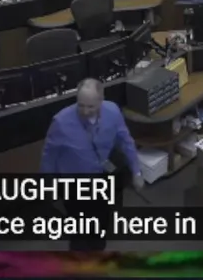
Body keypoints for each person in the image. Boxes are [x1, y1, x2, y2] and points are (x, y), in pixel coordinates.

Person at [40, 79, 143, 251]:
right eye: (81, 105)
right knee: (78, 225)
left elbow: (126, 141)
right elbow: (49, 154)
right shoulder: (60, 122)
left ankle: (97, 248)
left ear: (101, 100)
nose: (85, 111)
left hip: (102, 178)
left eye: (91, 106)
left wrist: (136, 172)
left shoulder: (113, 112)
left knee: (101, 219)